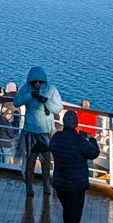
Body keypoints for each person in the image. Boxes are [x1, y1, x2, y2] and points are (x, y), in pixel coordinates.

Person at [49, 109, 100, 223]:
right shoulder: (79, 141)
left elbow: (55, 147)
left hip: (60, 184)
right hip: (76, 186)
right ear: (76, 124)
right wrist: (91, 139)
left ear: (64, 123)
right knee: (72, 218)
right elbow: (94, 153)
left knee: (69, 214)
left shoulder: (56, 138)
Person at [13, 66, 65, 196]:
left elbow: (58, 108)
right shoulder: (26, 89)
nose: (37, 84)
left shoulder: (51, 90)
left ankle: (46, 184)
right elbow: (16, 102)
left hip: (46, 132)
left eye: (39, 82)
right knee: (30, 162)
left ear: (43, 81)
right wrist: (31, 95)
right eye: (34, 82)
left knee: (46, 162)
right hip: (30, 131)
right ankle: (29, 187)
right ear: (30, 81)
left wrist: (46, 100)